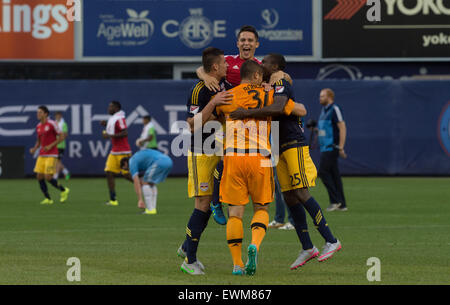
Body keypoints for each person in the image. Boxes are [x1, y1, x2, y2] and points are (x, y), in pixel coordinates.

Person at [230, 54, 342, 270]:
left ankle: (331, 239)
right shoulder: (271, 85)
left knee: (301, 192)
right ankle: (307, 247)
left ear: (276, 67)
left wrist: (246, 112)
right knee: (289, 196)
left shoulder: (281, 83)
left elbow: (280, 107)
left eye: (266, 64)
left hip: (293, 143)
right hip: (279, 146)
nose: (262, 66)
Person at [215, 60, 297, 276]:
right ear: (256, 77)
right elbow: (297, 109)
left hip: (233, 156)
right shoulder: (268, 95)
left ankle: (236, 263)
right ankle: (255, 245)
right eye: (261, 76)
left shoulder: (228, 96)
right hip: (260, 157)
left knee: (235, 214)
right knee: (261, 208)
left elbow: (214, 115)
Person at [178, 47, 233, 275]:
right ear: (215, 67)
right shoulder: (199, 90)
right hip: (201, 151)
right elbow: (191, 125)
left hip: (220, 150)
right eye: (224, 63)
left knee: (208, 206)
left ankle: (187, 248)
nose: (228, 66)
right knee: (202, 205)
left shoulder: (226, 87)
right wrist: (214, 104)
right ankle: (189, 261)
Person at [29, 106, 70, 204]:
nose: (38, 114)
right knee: (39, 176)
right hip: (42, 154)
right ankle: (48, 198)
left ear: (46, 114)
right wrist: (34, 149)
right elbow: (39, 141)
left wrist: (50, 145)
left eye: (40, 112)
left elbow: (62, 136)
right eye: (37, 112)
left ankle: (63, 190)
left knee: (48, 177)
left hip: (52, 154)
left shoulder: (52, 124)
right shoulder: (38, 126)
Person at [318, 89, 348, 212]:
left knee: (323, 172)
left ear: (329, 97)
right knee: (335, 175)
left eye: (322, 96)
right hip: (324, 147)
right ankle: (342, 204)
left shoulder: (334, 109)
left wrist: (341, 147)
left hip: (332, 147)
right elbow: (325, 130)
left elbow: (342, 128)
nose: (320, 98)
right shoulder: (323, 110)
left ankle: (335, 201)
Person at [119, 149, 172, 215]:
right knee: (151, 183)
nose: (128, 170)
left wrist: (140, 199)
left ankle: (150, 210)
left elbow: (136, 182)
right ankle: (152, 209)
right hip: (169, 161)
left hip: (159, 162)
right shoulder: (136, 156)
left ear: (125, 163)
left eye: (126, 169)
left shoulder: (131, 162)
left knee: (145, 182)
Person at [100, 101, 133, 207]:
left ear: (116, 107)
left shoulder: (120, 118)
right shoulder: (114, 118)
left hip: (123, 151)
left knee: (127, 175)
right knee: (109, 173)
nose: (108, 108)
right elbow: (115, 130)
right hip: (114, 151)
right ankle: (113, 199)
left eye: (111, 107)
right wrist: (106, 125)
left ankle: (144, 187)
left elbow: (125, 132)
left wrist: (109, 135)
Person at [53, 111, 70, 180]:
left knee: (57, 161)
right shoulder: (53, 124)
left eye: (59, 115)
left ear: (61, 116)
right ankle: (66, 172)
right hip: (54, 145)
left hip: (61, 145)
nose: (58, 117)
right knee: (56, 161)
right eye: (57, 116)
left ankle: (55, 176)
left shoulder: (64, 124)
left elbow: (65, 134)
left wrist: (59, 139)